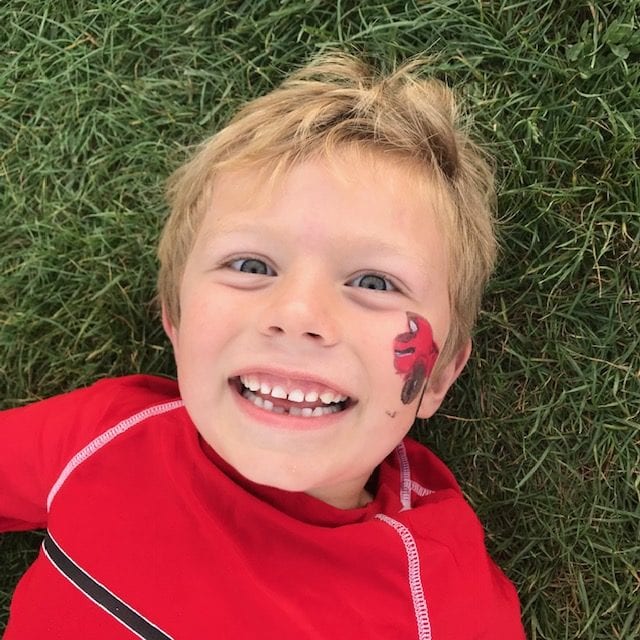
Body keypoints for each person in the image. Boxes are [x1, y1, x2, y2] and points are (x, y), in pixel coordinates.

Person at [0, 52, 526, 639]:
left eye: (374, 282)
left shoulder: (447, 607)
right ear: (173, 316)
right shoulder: (105, 431)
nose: (297, 315)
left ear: (440, 375)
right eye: (250, 264)